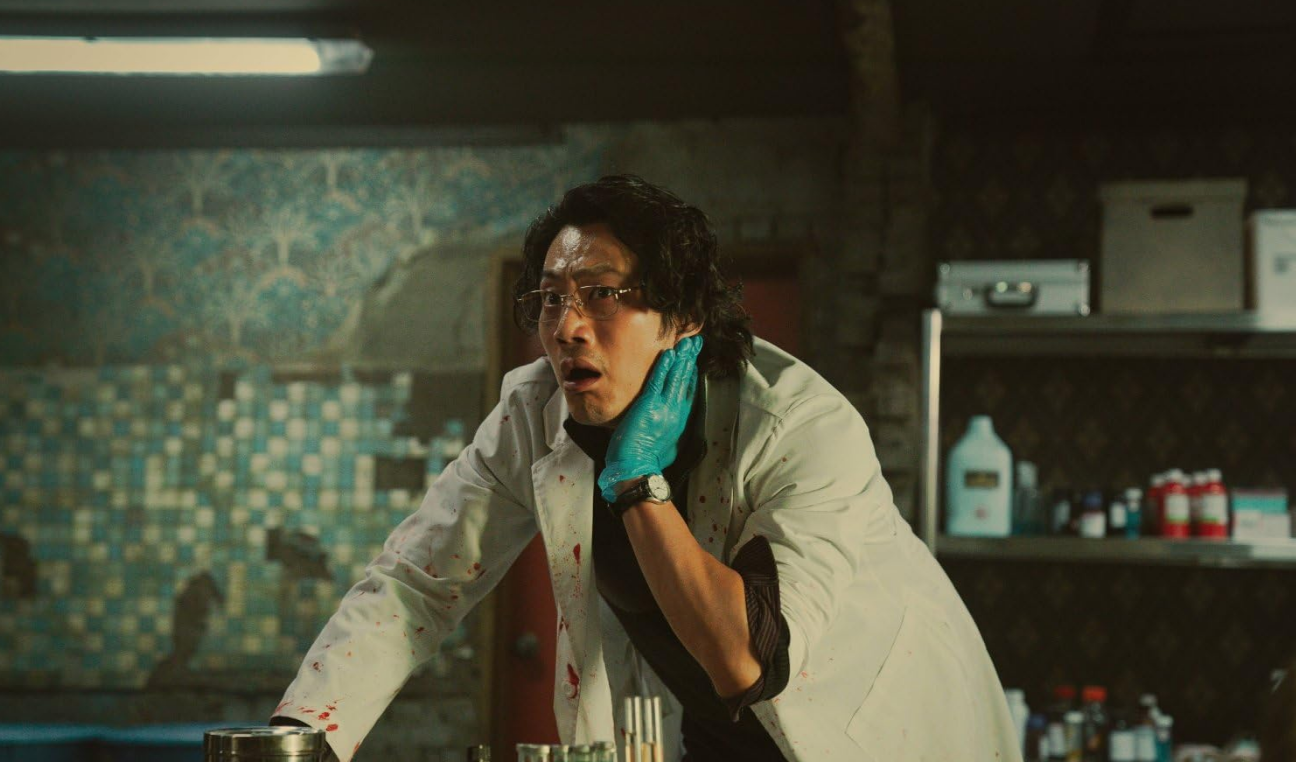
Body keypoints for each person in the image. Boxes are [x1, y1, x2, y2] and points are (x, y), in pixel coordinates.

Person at [272, 174, 1021, 761]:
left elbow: (745, 659)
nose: (567, 327)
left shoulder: (801, 427)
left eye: (602, 295)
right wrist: (297, 741)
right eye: (551, 298)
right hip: (719, 739)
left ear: (683, 316)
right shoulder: (533, 414)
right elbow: (416, 586)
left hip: (884, 734)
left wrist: (637, 482)